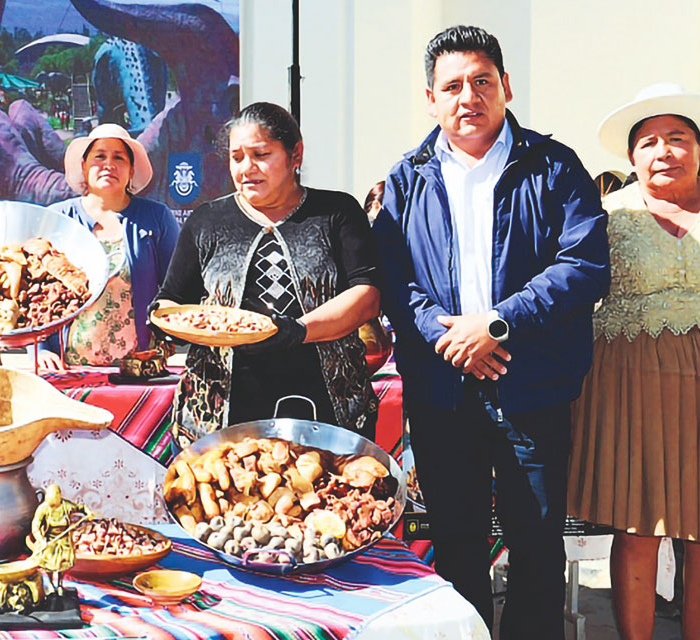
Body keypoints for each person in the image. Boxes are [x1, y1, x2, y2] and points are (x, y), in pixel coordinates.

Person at [371, 26, 609, 640]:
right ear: (430, 99)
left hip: (533, 388)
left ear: (505, 86)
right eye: (451, 87)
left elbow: (584, 266)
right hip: (443, 389)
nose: (467, 97)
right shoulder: (406, 179)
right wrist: (447, 335)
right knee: (456, 543)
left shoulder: (554, 168)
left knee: (535, 543)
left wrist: (496, 324)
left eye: (481, 82)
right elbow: (392, 279)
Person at [569, 83, 700, 640]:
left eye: (677, 138)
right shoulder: (605, 216)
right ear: (630, 156)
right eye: (648, 142)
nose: (663, 150)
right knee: (638, 528)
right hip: (629, 383)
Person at [153, 102, 380, 443]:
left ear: (295, 154)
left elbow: (367, 296)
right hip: (223, 411)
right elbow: (171, 300)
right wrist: (166, 321)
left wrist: (297, 331)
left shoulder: (336, 212)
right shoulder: (207, 221)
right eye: (237, 157)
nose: (247, 168)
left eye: (261, 154)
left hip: (326, 404)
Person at [37, 124, 179, 368]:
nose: (108, 164)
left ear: (131, 169)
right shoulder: (58, 219)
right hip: (67, 368)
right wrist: (39, 349)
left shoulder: (157, 217)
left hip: (139, 369)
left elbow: (175, 289)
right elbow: (36, 291)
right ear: (83, 165)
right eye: (99, 156)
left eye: (119, 158)